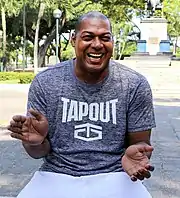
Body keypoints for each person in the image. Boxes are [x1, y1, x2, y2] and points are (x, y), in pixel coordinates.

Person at [7, 11, 156, 198]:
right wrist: (36, 143)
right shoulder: (46, 82)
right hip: (57, 174)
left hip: (115, 174)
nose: (97, 45)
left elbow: (141, 145)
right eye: (88, 37)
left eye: (105, 38)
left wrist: (135, 156)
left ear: (112, 42)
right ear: (73, 40)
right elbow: (38, 153)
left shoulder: (134, 84)